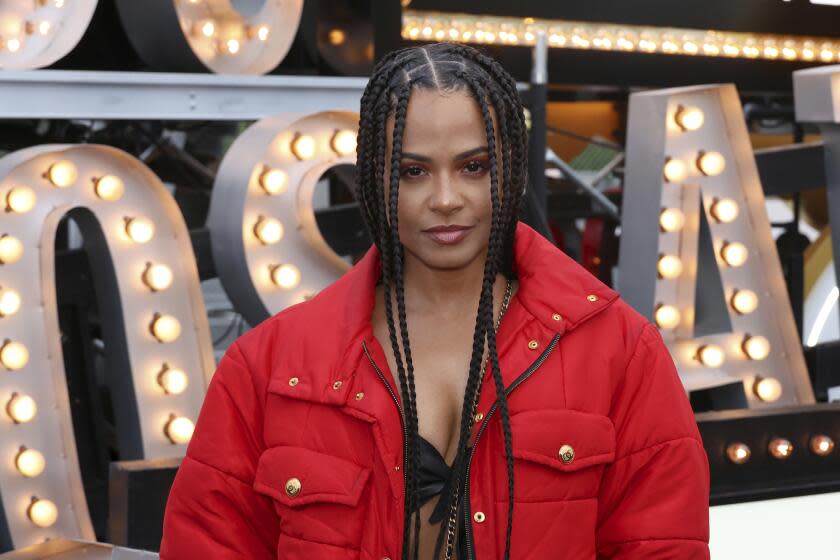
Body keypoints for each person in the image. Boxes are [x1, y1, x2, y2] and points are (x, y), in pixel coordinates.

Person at [160, 42, 710, 559]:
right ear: (373, 181)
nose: (446, 199)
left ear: (510, 169)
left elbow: (662, 544)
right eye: (412, 171)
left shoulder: (617, 348)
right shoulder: (268, 368)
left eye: (474, 167)